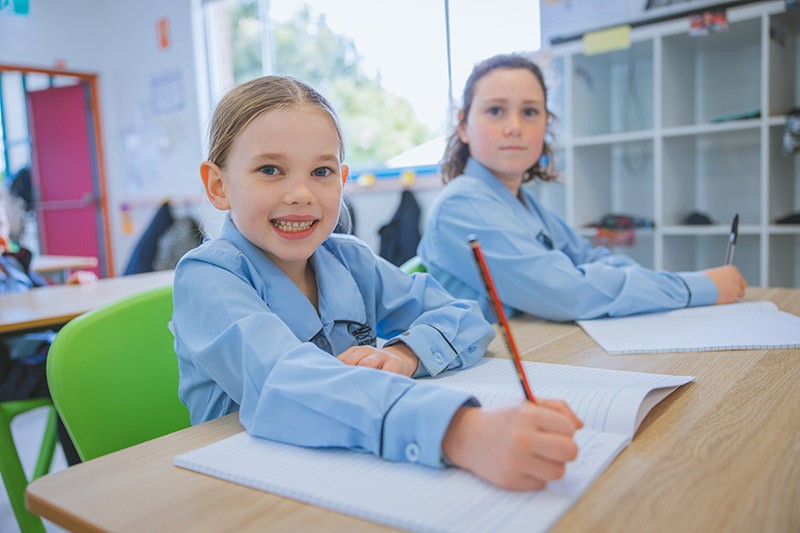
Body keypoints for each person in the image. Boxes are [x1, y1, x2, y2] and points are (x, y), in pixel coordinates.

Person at [172, 75, 583, 490]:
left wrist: (407, 354)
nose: (301, 193)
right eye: (270, 170)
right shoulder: (207, 277)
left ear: (342, 179)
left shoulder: (350, 260)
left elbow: (465, 317)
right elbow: (284, 381)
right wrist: (459, 432)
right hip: (248, 488)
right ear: (219, 186)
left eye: (321, 171)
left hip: (350, 470)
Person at [418, 53, 748, 323]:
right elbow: (569, 293)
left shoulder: (520, 202)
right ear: (463, 125)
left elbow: (592, 258)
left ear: (546, 124)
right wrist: (693, 288)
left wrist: (663, 286)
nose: (514, 127)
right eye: (495, 111)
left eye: (530, 111)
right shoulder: (462, 205)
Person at [0, 185, 95, 465]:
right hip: (12, 369)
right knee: (73, 372)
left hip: (42, 351)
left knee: (94, 358)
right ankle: (85, 468)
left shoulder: (14, 264)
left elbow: (42, 300)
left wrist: (68, 289)